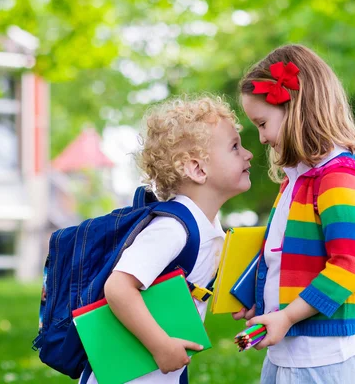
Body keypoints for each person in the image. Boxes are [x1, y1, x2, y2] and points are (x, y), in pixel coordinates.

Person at [82, 95, 253, 384]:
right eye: (234, 147)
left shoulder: (210, 227)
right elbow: (119, 287)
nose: (248, 153)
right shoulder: (172, 229)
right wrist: (160, 345)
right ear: (197, 169)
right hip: (127, 375)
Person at [234, 44, 355, 383]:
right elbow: (286, 260)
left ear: (296, 108)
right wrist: (264, 302)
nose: (262, 138)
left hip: (324, 361)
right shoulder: (296, 181)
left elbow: (350, 266)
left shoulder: (338, 179)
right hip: (288, 353)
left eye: (263, 123)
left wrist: (286, 316)